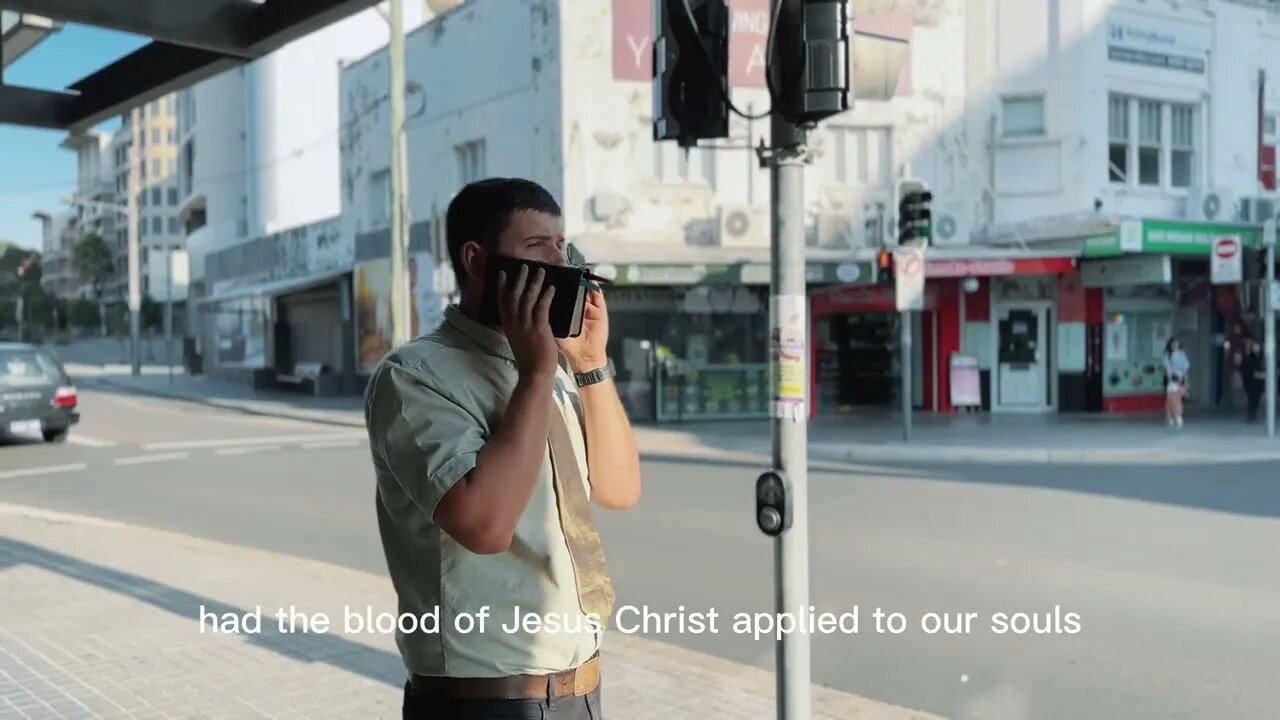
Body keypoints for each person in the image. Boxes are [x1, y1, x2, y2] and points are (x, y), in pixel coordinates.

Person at [363, 178, 642, 720]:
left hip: (580, 688)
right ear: (477, 260)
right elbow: (485, 526)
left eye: (562, 247)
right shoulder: (415, 376)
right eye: (537, 250)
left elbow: (619, 489)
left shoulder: (552, 365)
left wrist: (588, 364)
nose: (559, 266)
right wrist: (537, 370)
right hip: (484, 700)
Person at [1163, 337, 1191, 428]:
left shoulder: (1182, 354)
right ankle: (1170, 417)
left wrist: (1185, 379)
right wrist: (1171, 379)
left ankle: (1177, 416)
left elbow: (1185, 368)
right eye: (1173, 344)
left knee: (1176, 399)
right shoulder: (1168, 355)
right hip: (1171, 379)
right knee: (1170, 400)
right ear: (1170, 345)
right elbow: (1167, 368)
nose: (1175, 345)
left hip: (1181, 378)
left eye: (1177, 344)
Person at [1241, 339, 1264, 423]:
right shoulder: (1248, 357)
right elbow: (1247, 370)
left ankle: (1253, 415)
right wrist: (1257, 374)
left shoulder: (1260, 356)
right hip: (1251, 382)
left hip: (1259, 382)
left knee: (1257, 399)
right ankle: (1251, 416)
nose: (1257, 348)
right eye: (1255, 346)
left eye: (1258, 346)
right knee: (1252, 398)